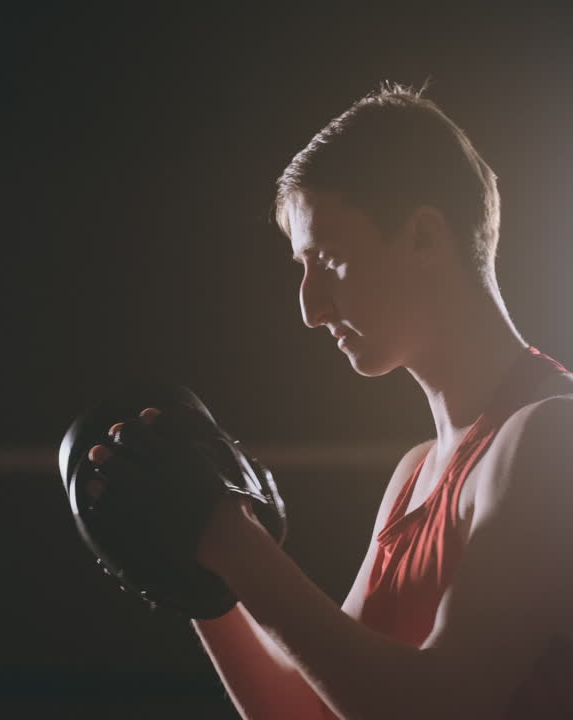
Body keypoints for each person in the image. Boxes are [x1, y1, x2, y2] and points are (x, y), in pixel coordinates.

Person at [89, 82, 573, 718]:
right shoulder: (415, 475)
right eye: (302, 267)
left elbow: (442, 708)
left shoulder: (552, 437)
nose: (311, 309)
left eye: (330, 258)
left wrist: (234, 539)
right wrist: (201, 577)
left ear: (426, 237)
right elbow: (306, 709)